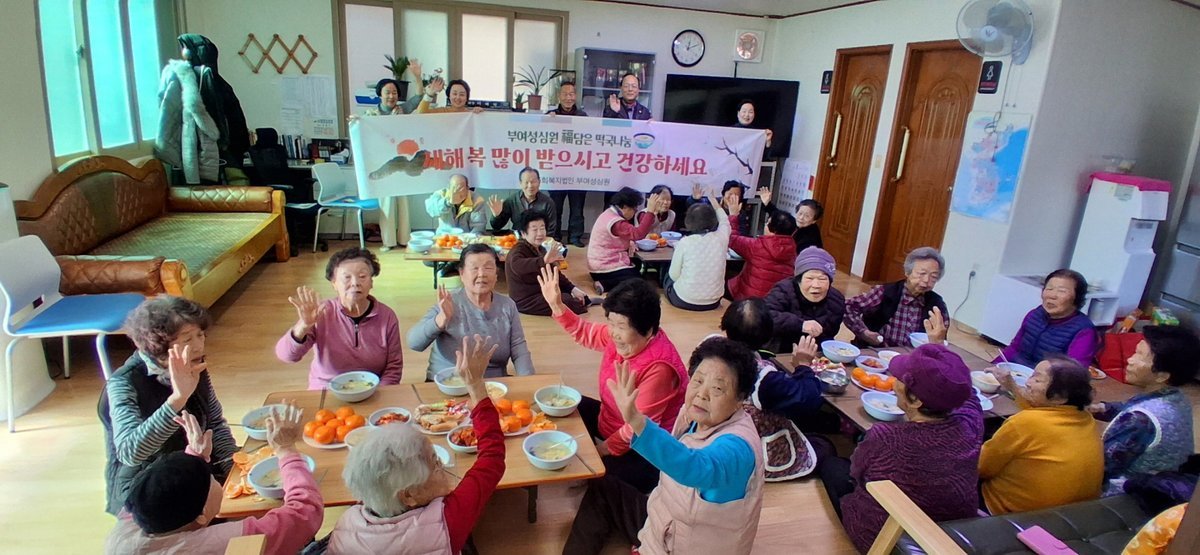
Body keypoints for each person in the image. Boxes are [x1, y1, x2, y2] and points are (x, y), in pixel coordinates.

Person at [565, 337, 764, 554]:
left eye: (717, 388)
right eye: (698, 381)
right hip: (663, 523)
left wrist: (637, 421)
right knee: (605, 486)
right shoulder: (693, 415)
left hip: (687, 547)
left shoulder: (738, 448)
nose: (702, 394)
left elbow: (696, 467)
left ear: (740, 399)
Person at [326, 336, 503, 554]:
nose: (442, 466)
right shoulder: (447, 522)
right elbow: (492, 458)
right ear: (409, 496)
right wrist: (476, 386)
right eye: (435, 463)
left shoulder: (345, 525)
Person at [817, 345, 984, 553]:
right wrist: (941, 352)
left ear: (916, 400)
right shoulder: (970, 423)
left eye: (899, 379)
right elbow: (969, 395)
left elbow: (857, 474)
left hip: (885, 538)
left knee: (832, 465)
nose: (894, 380)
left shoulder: (886, 436)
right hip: (950, 532)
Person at [539, 266, 687, 496]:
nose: (613, 333)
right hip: (612, 420)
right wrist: (557, 306)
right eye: (610, 322)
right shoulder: (621, 337)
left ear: (648, 331)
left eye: (621, 326)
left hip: (643, 450)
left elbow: (637, 428)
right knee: (561, 404)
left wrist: (600, 451)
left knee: (598, 479)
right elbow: (585, 332)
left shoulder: (660, 369)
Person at [105, 404, 322, 554]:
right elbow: (305, 513)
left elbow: (165, 493)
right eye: (212, 479)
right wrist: (285, 450)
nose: (217, 481)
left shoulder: (128, 526)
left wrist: (195, 456)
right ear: (202, 515)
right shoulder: (222, 543)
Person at [100, 295, 238, 516]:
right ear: (158, 346)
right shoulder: (123, 383)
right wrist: (177, 399)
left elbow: (215, 425)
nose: (198, 346)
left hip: (192, 466)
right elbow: (129, 452)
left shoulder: (193, 364)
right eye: (187, 339)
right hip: (147, 488)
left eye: (200, 335)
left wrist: (234, 469)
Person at [979, 356, 1103, 514]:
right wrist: (1011, 385)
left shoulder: (1026, 422)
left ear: (1060, 396)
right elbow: (1042, 411)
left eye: (1037, 380)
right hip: (1068, 516)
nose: (1028, 383)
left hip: (1008, 513)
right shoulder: (1085, 418)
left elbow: (981, 467)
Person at [1090, 325, 1200, 495]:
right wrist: (1101, 408)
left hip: (1126, 495)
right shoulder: (1177, 397)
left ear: (1162, 376)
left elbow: (1100, 467)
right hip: (1164, 483)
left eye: (1140, 356)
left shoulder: (1140, 419)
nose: (1130, 360)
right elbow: (1131, 407)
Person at [720, 300, 823, 481]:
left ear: (725, 327)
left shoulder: (712, 350)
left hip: (718, 437)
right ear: (768, 335)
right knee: (824, 447)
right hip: (750, 448)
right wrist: (803, 365)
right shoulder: (763, 377)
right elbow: (807, 400)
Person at [275, 247, 404, 390]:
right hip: (326, 389)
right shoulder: (321, 312)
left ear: (371, 282)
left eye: (362, 276)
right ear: (334, 283)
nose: (355, 282)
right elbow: (286, 356)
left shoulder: (387, 316)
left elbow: (394, 367)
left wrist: (380, 393)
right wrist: (304, 326)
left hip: (372, 389)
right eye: (347, 277)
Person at [408, 244, 535, 379]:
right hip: (450, 380)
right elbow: (414, 343)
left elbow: (518, 348)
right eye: (474, 268)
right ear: (462, 273)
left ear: (496, 274)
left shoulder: (507, 305)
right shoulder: (448, 302)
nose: (482, 274)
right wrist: (440, 320)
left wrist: (528, 380)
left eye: (488, 268)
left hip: (492, 382)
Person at [844, 247, 950, 347]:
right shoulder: (885, 292)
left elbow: (941, 337)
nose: (926, 280)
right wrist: (863, 332)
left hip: (914, 356)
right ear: (907, 272)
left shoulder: (937, 304)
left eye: (933, 277)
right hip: (877, 351)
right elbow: (849, 307)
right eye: (922, 273)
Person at [995, 268, 1098, 368]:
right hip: (1015, 370)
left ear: (1077, 298)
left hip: (1046, 378)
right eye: (1049, 289)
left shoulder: (1084, 331)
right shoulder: (1035, 314)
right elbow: (1014, 348)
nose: (1052, 295)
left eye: (1061, 291)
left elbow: (1074, 372)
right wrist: (994, 366)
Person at [506, 209, 590, 316]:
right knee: (566, 301)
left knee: (575, 294)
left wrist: (573, 288)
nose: (540, 233)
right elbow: (518, 266)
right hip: (526, 301)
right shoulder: (518, 250)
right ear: (523, 233)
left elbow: (554, 273)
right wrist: (544, 260)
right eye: (535, 230)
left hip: (541, 291)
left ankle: (582, 300)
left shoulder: (540, 248)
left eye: (542, 228)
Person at [586, 186, 670, 294]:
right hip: (604, 268)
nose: (634, 213)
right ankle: (605, 284)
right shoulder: (616, 222)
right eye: (634, 209)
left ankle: (608, 282)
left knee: (637, 265)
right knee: (639, 283)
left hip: (598, 264)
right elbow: (638, 234)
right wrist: (650, 212)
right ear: (625, 206)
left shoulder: (609, 213)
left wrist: (630, 242)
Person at [763, 247, 846, 352]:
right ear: (798, 280)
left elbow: (830, 334)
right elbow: (765, 317)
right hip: (781, 352)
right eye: (809, 278)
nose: (816, 285)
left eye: (822, 279)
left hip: (817, 354)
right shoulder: (783, 291)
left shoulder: (837, 300)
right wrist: (801, 324)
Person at [665, 190, 731, 311]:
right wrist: (714, 202)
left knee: (667, 276)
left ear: (688, 221)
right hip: (714, 302)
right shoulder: (722, 237)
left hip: (683, 300)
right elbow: (725, 221)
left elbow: (674, 275)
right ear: (713, 220)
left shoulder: (685, 242)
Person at [546, 81, 590, 247]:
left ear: (575, 96)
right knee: (555, 207)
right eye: (565, 94)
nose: (568, 98)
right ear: (559, 96)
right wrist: (547, 121)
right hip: (556, 170)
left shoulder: (583, 117)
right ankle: (555, 236)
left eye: (571, 94)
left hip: (578, 170)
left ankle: (575, 237)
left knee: (577, 207)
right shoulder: (551, 115)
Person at [726, 208, 797, 301]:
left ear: (773, 230)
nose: (765, 225)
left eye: (767, 223)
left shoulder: (757, 245)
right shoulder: (793, 251)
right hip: (776, 301)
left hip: (749, 300)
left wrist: (733, 216)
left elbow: (732, 238)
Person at [487, 167, 558, 238]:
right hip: (517, 239)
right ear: (520, 183)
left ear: (539, 182)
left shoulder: (548, 202)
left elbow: (551, 230)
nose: (530, 186)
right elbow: (496, 226)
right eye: (526, 182)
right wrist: (497, 216)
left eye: (533, 182)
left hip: (539, 240)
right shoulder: (512, 200)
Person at [688, 181, 775, 237]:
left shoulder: (741, 212)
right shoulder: (712, 203)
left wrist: (734, 216)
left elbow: (742, 234)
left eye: (736, 195)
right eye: (730, 194)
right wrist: (694, 199)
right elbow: (694, 207)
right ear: (723, 194)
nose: (732, 197)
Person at [414, 78, 485, 114]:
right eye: (454, 94)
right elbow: (421, 113)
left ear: (467, 97)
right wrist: (429, 95)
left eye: (462, 94)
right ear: (449, 96)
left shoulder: (471, 114)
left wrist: (480, 113)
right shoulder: (442, 112)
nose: (458, 97)